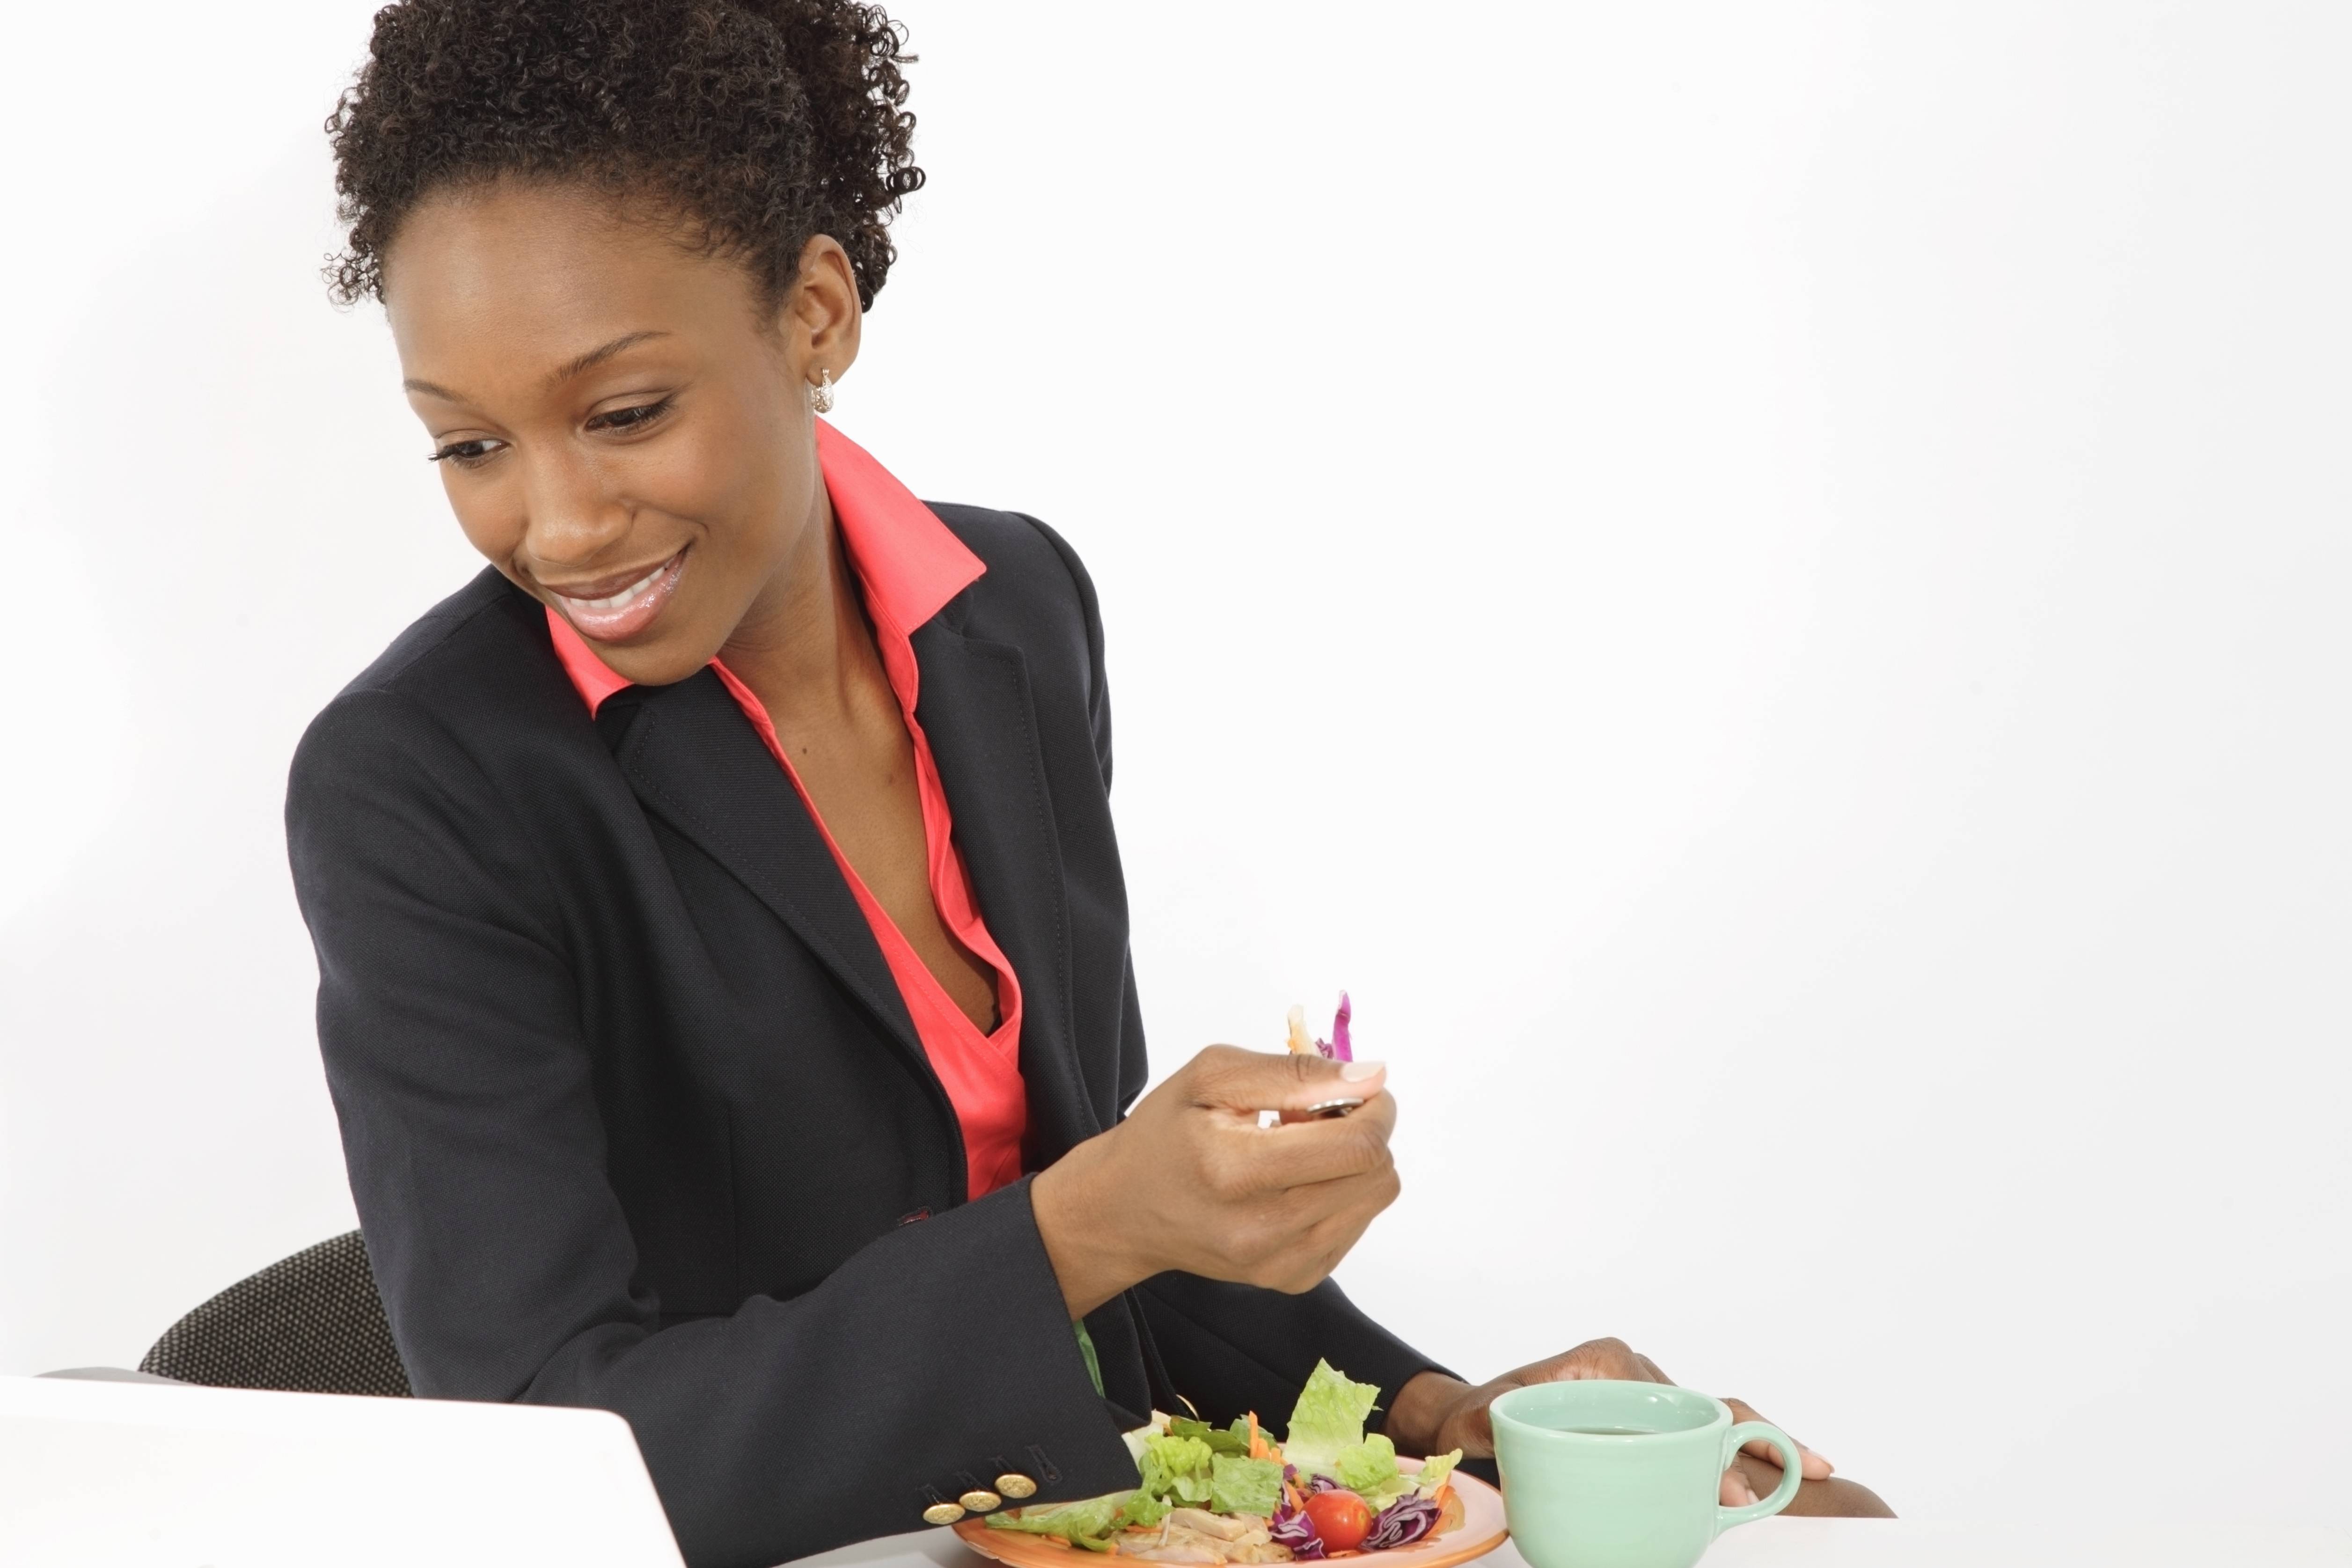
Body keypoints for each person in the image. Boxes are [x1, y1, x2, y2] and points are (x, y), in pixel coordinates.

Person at [288, 2, 1890, 1563]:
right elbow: (542, 1463)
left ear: (815, 314)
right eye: (471, 447)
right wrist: (1097, 1219)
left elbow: (1073, 1192)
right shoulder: (424, 785)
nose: (554, 526)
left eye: (624, 413)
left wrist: (1430, 1413)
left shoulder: (1010, 611)